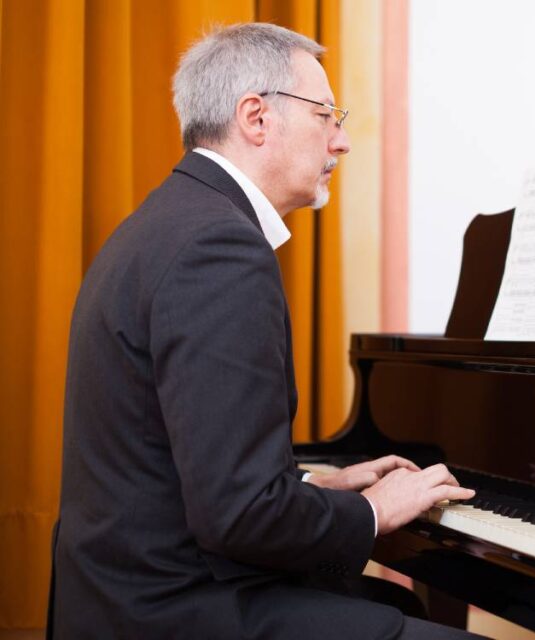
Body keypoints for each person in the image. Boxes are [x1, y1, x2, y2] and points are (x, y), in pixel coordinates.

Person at [50, 23, 478, 639]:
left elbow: (190, 470)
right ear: (256, 117)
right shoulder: (218, 247)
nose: (343, 141)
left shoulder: (168, 222)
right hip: (174, 610)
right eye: (327, 115)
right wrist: (369, 509)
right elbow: (242, 516)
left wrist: (316, 487)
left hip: (125, 591)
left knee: (399, 608)